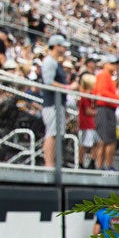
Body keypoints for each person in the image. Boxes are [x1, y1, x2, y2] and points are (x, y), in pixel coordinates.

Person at [40, 34, 72, 168]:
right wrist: (67, 87)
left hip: (57, 103)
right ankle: (49, 164)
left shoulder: (55, 62)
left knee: (55, 133)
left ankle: (51, 163)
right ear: (56, 46)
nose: (65, 48)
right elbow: (48, 82)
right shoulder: (49, 61)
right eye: (63, 46)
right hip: (52, 103)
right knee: (52, 133)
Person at [92, 55, 119, 170]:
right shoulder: (103, 75)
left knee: (109, 139)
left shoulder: (110, 77)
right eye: (112, 63)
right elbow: (102, 93)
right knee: (105, 139)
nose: (115, 66)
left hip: (109, 109)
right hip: (104, 109)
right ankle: (101, 165)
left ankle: (105, 165)